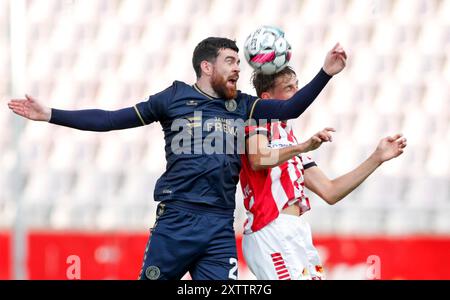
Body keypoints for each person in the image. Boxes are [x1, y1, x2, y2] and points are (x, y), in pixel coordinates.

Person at [7, 37, 347, 280]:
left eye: (239, 65)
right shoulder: (173, 98)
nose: (237, 71)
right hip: (177, 220)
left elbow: (291, 107)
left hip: (218, 225)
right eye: (230, 62)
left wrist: (325, 73)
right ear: (206, 65)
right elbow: (110, 120)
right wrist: (51, 114)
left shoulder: (244, 105)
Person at [240, 66, 407, 280]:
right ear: (267, 97)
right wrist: (303, 147)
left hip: (296, 231)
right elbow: (258, 160)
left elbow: (330, 191)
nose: (297, 92)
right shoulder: (257, 121)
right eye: (289, 88)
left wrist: (377, 158)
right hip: (271, 229)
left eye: (297, 86)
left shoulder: (289, 138)